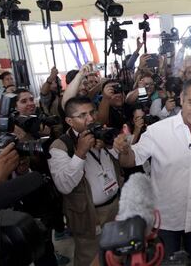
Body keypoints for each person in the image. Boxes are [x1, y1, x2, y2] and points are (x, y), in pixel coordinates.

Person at [113, 77, 191, 263]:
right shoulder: (158, 131)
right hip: (165, 220)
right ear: (181, 98)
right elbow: (130, 160)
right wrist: (125, 150)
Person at [48, 96, 121, 266]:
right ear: (69, 121)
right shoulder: (60, 147)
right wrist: (80, 153)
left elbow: (120, 160)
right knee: (90, 255)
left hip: (115, 204)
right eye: (82, 115)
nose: (90, 119)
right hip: (88, 214)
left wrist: (113, 144)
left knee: (115, 251)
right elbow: (64, 186)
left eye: (92, 112)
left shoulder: (101, 133)